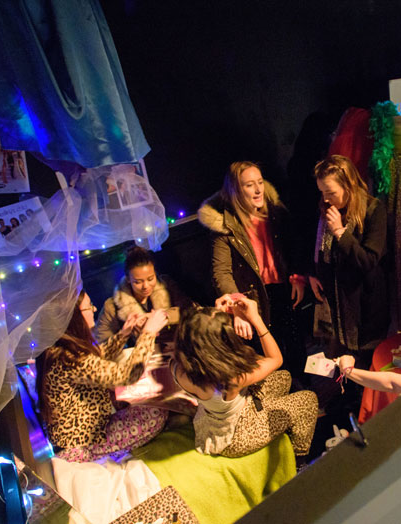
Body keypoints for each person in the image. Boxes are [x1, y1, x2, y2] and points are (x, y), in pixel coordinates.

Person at [170, 296, 318, 458]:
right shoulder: (232, 378)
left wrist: (213, 318)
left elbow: (202, 337)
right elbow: (276, 359)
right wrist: (255, 318)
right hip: (236, 435)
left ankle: (279, 422)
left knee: (284, 377)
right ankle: (299, 456)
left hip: (212, 419)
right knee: (308, 400)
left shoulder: (178, 367)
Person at [198, 161, 307, 378]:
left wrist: (298, 277)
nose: (258, 190)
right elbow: (221, 272)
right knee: (270, 354)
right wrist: (238, 307)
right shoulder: (226, 225)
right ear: (236, 190)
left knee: (295, 345)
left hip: (283, 288)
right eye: (249, 185)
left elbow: (293, 247)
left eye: (260, 182)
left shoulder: (275, 212)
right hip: (254, 296)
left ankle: (305, 388)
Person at [36, 290, 168, 462]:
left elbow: (97, 357)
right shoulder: (68, 358)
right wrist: (148, 333)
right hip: (83, 443)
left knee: (136, 398)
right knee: (157, 413)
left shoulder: (61, 346)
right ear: (74, 317)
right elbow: (128, 375)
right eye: (89, 306)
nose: (94, 309)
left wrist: (124, 333)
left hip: (83, 428)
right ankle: (99, 454)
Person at [309, 155, 389, 361]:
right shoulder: (327, 208)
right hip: (336, 305)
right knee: (339, 361)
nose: (326, 199)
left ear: (349, 185)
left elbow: (369, 260)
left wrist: (340, 233)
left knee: (364, 360)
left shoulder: (373, 210)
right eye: (322, 192)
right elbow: (320, 248)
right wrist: (314, 273)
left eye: (331, 192)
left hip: (364, 306)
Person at [95, 246, 187, 343]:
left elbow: (189, 310)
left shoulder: (167, 285)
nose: (145, 286)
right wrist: (124, 333)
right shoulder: (112, 306)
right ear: (128, 279)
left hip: (175, 345)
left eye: (150, 279)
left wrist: (161, 317)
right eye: (138, 282)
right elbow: (101, 342)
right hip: (141, 351)